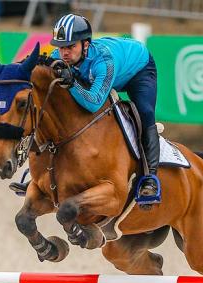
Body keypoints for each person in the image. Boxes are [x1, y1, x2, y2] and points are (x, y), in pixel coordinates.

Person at [49, 14, 161, 205]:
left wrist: (72, 83)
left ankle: (150, 177)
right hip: (112, 67)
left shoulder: (103, 61)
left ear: (85, 45)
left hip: (139, 70)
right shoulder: (57, 58)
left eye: (70, 46)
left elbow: (94, 102)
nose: (64, 53)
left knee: (145, 112)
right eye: (61, 48)